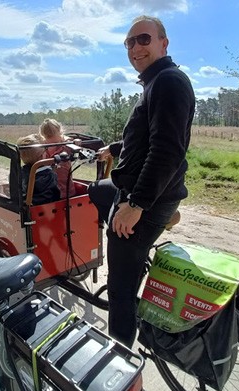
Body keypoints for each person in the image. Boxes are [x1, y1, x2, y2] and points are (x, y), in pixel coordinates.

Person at [88, 15, 195, 347]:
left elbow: (166, 151)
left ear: (164, 43)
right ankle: (161, 219)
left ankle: (119, 359)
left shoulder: (168, 82)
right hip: (145, 191)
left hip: (144, 198)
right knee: (95, 189)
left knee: (120, 289)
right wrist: (115, 149)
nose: (136, 47)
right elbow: (149, 137)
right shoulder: (155, 82)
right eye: (130, 42)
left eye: (144, 39)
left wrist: (135, 206)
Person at [17, 133, 60, 205]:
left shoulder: (20, 172)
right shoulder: (48, 176)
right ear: (41, 156)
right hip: (45, 211)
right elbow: (53, 196)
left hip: (23, 206)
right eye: (45, 150)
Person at [39, 118, 76, 198]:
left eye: (56, 142)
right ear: (44, 138)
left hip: (66, 193)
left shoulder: (66, 146)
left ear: (60, 134)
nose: (53, 145)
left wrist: (71, 141)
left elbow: (76, 145)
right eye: (50, 142)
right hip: (48, 193)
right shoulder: (42, 148)